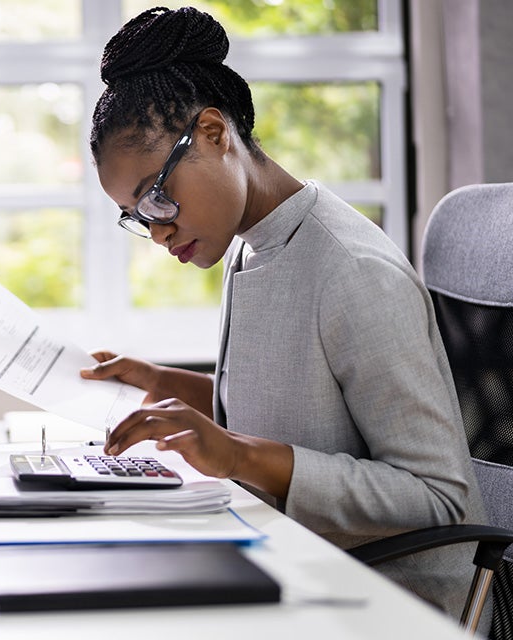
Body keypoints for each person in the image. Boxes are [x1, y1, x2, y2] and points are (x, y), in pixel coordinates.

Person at [80, 5, 488, 621]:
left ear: (215, 135)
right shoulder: (252, 243)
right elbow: (300, 408)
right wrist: (165, 385)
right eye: (139, 217)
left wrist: (239, 457)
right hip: (292, 558)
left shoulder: (353, 271)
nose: (159, 231)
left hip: (391, 601)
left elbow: (437, 497)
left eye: (157, 196)